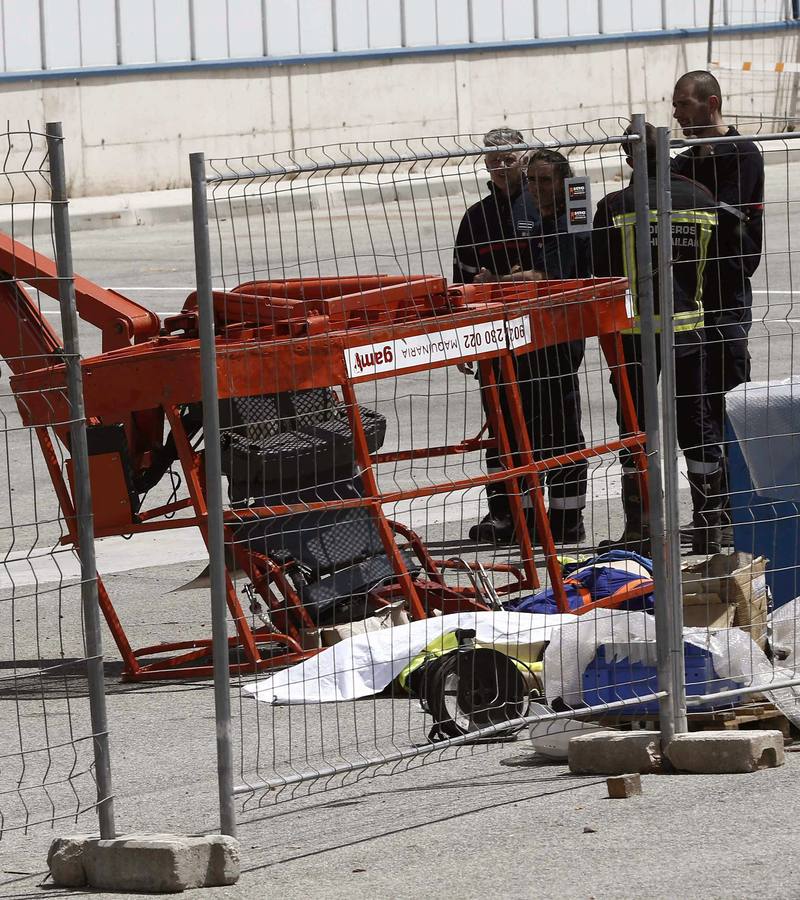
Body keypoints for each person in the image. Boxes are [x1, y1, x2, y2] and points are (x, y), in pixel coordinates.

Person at [592, 123, 724, 554]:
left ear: (629, 158)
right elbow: (724, 267)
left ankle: (643, 528)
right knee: (698, 424)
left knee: (636, 429)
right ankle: (710, 523)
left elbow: (599, 272)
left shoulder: (615, 205)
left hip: (633, 335)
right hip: (690, 329)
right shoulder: (701, 198)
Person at [453, 134, 588, 544]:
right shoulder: (476, 218)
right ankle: (512, 519)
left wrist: (499, 283)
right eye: (492, 161)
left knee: (559, 428)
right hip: (498, 341)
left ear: (524, 160)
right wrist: (464, 335)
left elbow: (558, 274)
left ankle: (567, 521)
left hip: (553, 340)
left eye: (508, 159)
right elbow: (463, 283)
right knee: (505, 431)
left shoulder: (556, 207)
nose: (500, 167)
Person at [671, 70, 764, 545]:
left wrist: (683, 201)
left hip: (725, 301)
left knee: (728, 403)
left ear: (711, 104)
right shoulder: (682, 163)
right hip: (689, 305)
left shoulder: (741, 154)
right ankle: (708, 513)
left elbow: (724, 217)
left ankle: (739, 511)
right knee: (694, 411)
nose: (677, 115)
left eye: (684, 105)